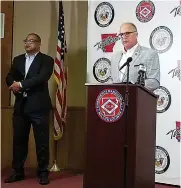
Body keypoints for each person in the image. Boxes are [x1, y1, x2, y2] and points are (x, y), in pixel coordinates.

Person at [4, 33, 54, 185]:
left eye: (31, 41)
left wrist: (21, 85)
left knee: (42, 142)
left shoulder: (47, 60)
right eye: (26, 40)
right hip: (20, 106)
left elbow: (42, 77)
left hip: (39, 107)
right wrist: (12, 84)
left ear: (39, 44)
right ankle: (18, 172)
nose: (28, 43)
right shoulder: (18, 60)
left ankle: (43, 173)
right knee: (19, 141)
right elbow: (9, 76)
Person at [111, 22, 160, 91]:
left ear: (136, 35)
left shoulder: (149, 54)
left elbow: (154, 82)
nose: (124, 36)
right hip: (117, 99)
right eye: (121, 34)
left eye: (127, 33)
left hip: (138, 99)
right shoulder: (115, 57)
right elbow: (111, 81)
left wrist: (134, 87)